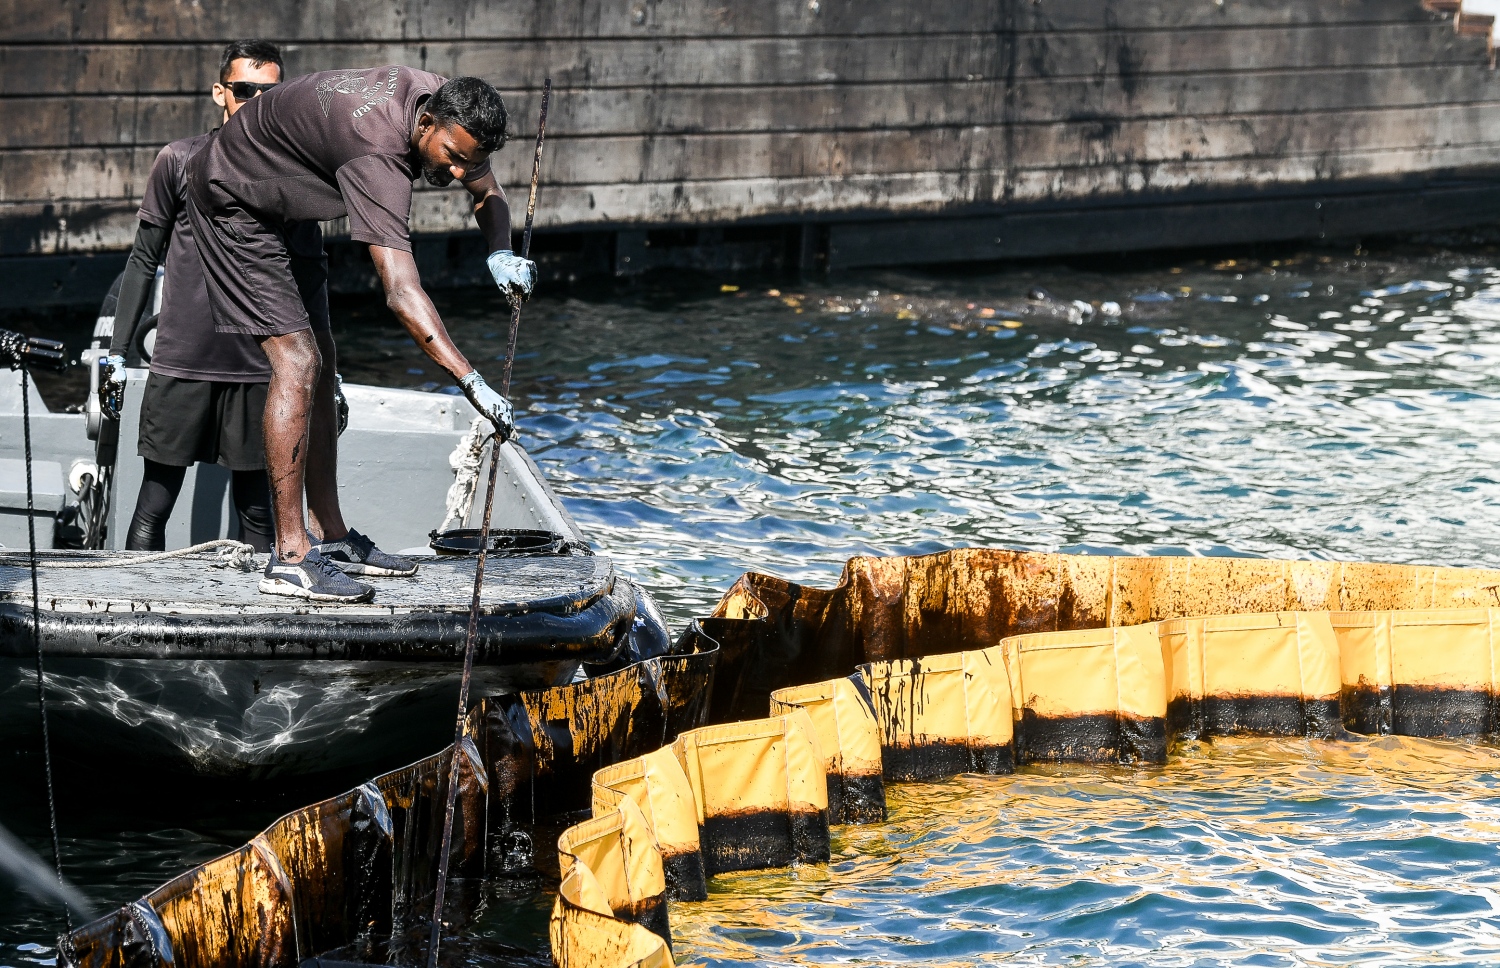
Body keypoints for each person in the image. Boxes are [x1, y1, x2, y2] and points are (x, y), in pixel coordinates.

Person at [184, 66, 535, 603]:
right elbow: (400, 292)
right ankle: (290, 559)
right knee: (297, 362)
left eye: (473, 160)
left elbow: (487, 192)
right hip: (232, 197)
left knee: (322, 357)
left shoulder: (451, 106)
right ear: (425, 122)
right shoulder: (378, 155)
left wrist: (501, 250)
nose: (463, 172)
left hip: (287, 196)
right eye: (454, 157)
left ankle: (333, 537)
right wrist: (472, 381)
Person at [101, 40, 288, 553]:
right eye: (245, 90)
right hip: (181, 363)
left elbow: (308, 278)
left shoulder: (293, 175)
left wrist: (325, 368)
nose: (255, 101)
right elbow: (142, 260)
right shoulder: (178, 160)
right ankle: (138, 614)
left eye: (269, 92)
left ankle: (259, 624)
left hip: (259, 366)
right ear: (219, 93)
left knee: (258, 512)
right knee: (154, 504)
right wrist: (116, 357)